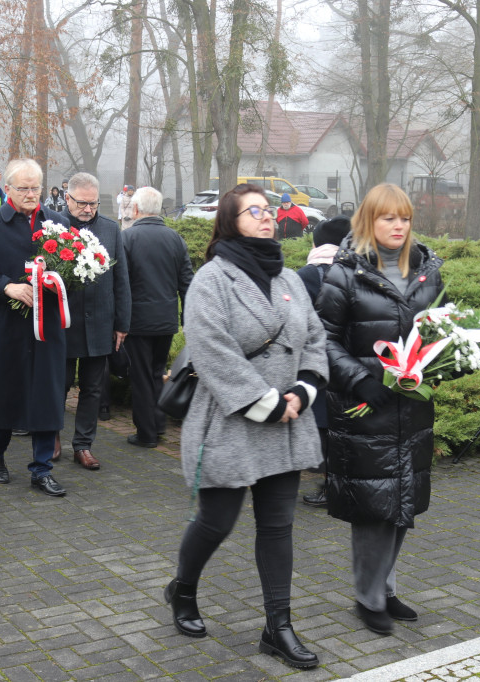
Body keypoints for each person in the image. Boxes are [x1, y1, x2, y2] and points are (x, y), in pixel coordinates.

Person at [165, 183, 327, 669]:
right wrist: (266, 403)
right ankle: (183, 589)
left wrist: (303, 391)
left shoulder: (290, 279)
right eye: (252, 211)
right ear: (231, 221)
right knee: (217, 521)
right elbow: (212, 351)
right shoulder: (212, 280)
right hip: (231, 421)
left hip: (288, 423)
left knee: (278, 527)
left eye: (269, 210)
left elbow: (315, 337)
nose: (265, 218)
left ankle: (278, 628)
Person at [316, 183, 442, 636]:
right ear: (369, 221)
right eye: (388, 218)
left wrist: (445, 362)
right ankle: (367, 598)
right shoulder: (344, 273)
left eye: (404, 218)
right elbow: (323, 339)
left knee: (402, 501)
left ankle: (386, 588)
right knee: (372, 505)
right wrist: (360, 380)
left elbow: (437, 331)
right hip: (365, 408)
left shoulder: (428, 271)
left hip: (411, 408)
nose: (398, 226)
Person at [0, 159, 70, 497]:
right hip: (6, 325)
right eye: (24, 188)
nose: (31, 194)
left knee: (47, 394)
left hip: (48, 328)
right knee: (4, 392)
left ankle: (42, 469)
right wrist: (7, 287)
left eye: (36, 188)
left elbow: (70, 273)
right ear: (8, 189)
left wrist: (59, 282)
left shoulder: (58, 223)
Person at [59, 172, 131, 470]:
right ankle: (51, 436)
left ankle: (83, 445)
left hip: (100, 323)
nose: (88, 209)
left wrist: (122, 323)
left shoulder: (111, 230)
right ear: (67, 198)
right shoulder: (53, 227)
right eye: (82, 203)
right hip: (63, 323)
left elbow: (122, 280)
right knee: (58, 385)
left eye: (93, 203)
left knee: (92, 388)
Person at [122, 187, 193, 448]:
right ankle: (158, 424)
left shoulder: (127, 238)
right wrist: (187, 318)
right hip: (165, 321)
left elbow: (122, 284)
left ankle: (147, 434)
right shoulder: (176, 239)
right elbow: (187, 282)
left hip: (138, 322)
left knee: (140, 377)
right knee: (157, 372)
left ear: (137, 209)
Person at [296, 216, 351, 507]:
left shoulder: (308, 274)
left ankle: (332, 487)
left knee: (326, 425)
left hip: (322, 361)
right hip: (355, 360)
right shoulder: (359, 269)